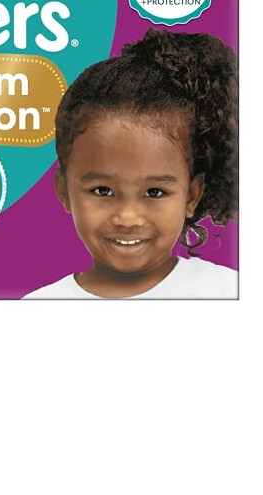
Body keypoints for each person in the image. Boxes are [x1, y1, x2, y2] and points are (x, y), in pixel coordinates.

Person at [23, 28, 238, 299]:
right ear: (64, 190)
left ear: (192, 195)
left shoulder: (226, 291)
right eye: (102, 190)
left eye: (154, 192)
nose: (127, 218)